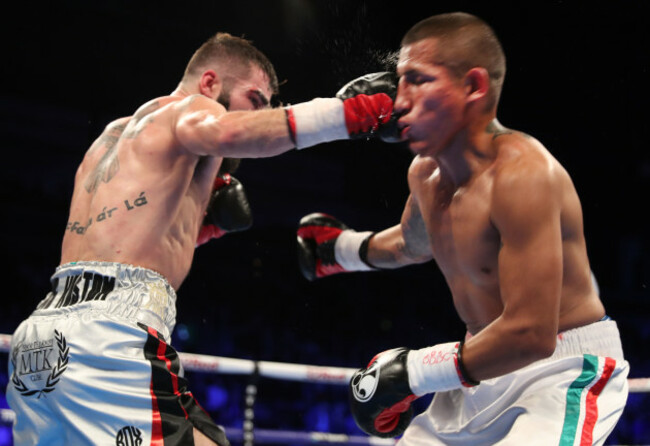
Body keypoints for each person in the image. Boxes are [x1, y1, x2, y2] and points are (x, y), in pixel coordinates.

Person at [6, 32, 399, 446]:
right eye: (256, 99)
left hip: (41, 337)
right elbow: (229, 132)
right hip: (110, 340)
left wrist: (194, 230)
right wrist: (345, 114)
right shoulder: (191, 108)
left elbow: (113, 243)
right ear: (210, 83)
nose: (259, 114)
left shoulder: (113, 138)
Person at [297, 12, 629, 445]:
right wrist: (338, 249)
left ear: (473, 86)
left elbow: (531, 334)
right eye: (399, 81)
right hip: (479, 365)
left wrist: (413, 372)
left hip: (559, 369)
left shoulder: (523, 175)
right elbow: (413, 243)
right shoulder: (425, 175)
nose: (399, 101)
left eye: (418, 80)